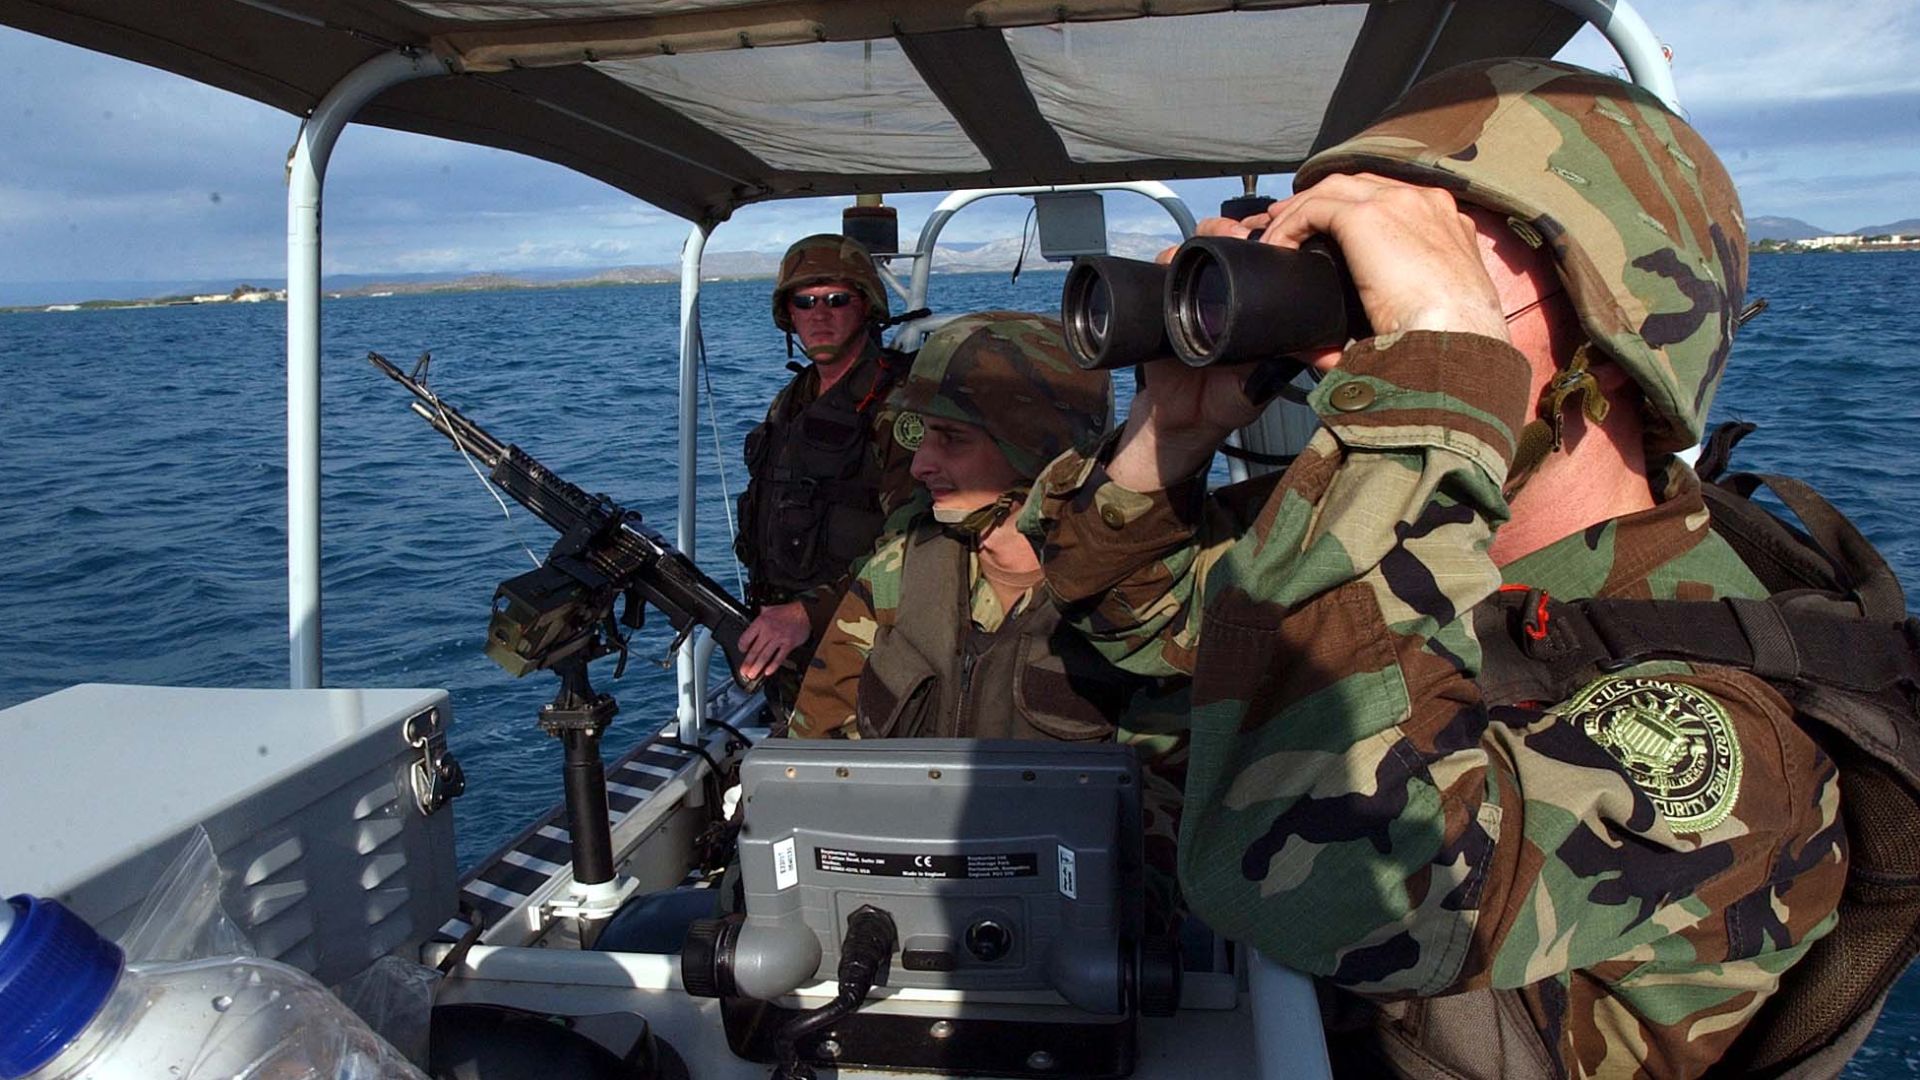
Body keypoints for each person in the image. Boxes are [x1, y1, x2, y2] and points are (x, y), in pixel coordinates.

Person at [1023, 59, 1850, 1075]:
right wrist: (1169, 433)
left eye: (1434, 262)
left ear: (1612, 339)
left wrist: (1439, 371)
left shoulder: (1725, 717)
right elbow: (1126, 617)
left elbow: (1333, 878)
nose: (1357, 337)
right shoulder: (1414, 537)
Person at [787, 310, 1144, 741]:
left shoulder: (1144, 598)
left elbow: (1166, 790)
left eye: (953, 440)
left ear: (1037, 450)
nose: (919, 467)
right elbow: (815, 748)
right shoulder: (898, 573)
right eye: (923, 436)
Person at [733, 234, 920, 706]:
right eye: (805, 301)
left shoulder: (897, 406)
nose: (819, 314)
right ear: (788, 314)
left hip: (866, 647)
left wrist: (806, 613)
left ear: (866, 307)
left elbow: (919, 546)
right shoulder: (791, 403)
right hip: (786, 645)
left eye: (837, 299)